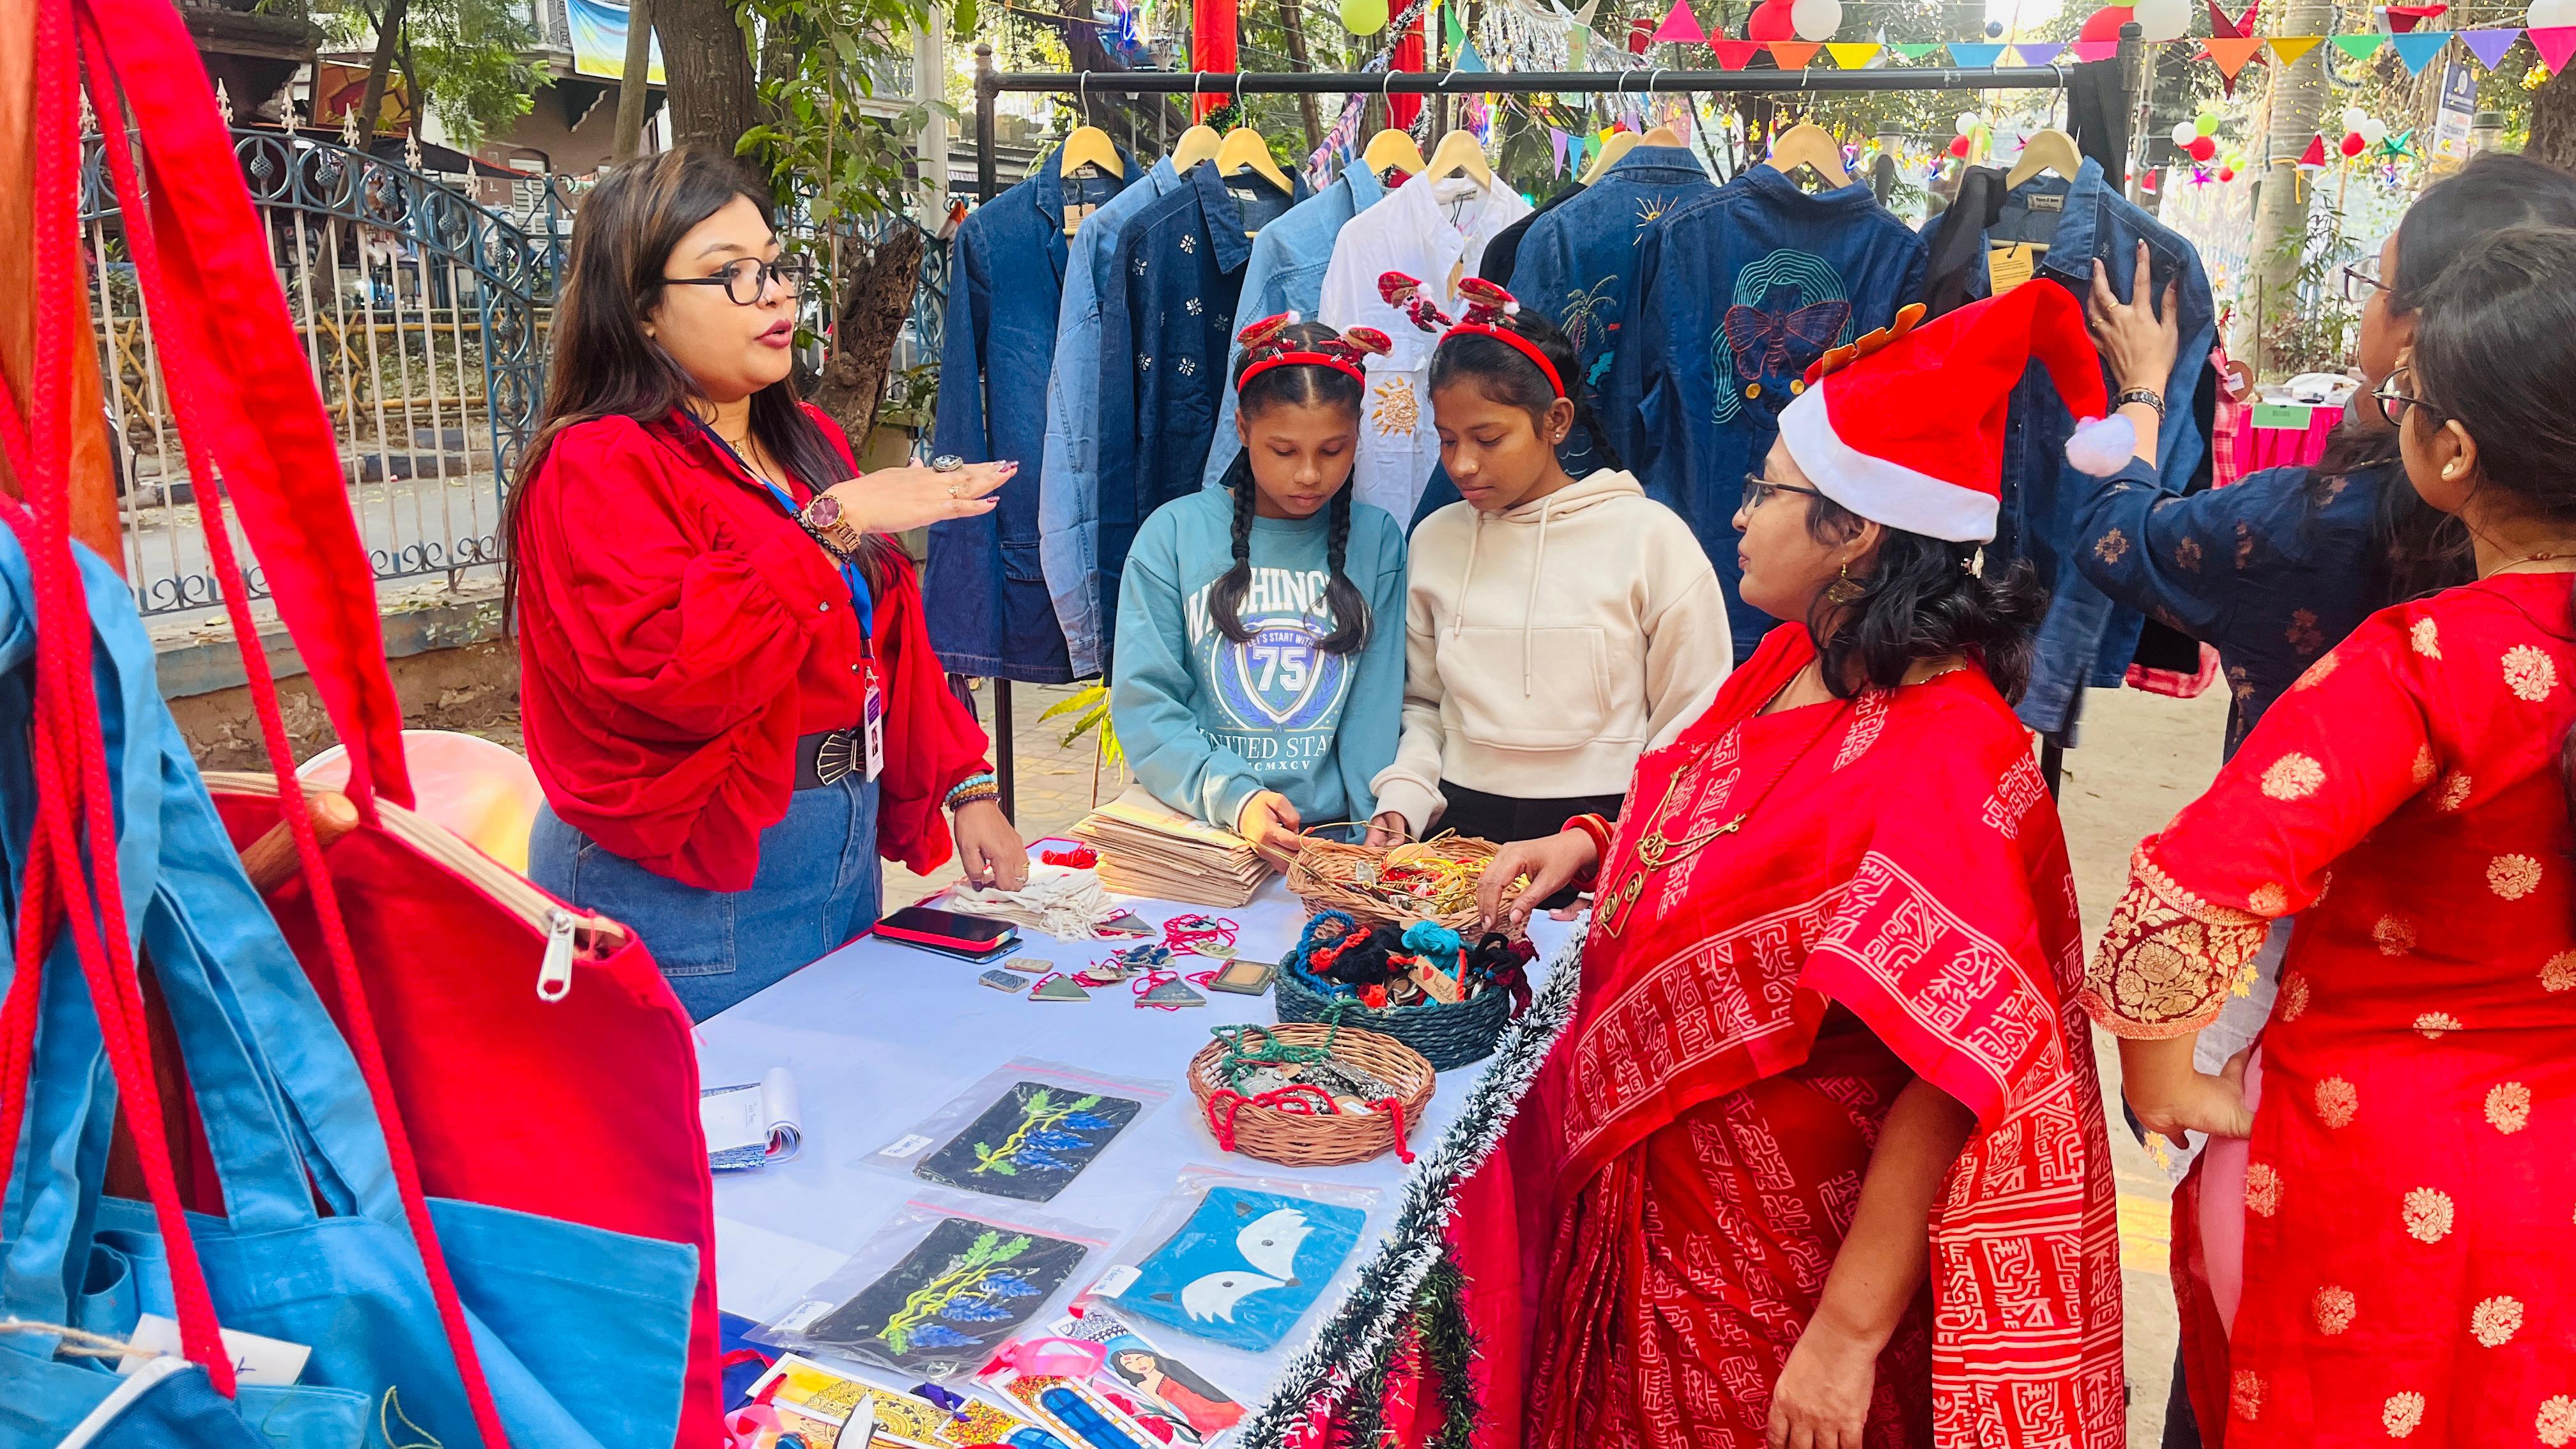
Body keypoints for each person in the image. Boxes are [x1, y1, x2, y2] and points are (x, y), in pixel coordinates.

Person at [1455, 283, 2128, 1449]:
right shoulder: (1781, 665)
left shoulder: (1945, 748)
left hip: (1780, 1261)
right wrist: (1586, 845)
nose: (1739, 513)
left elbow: (1955, 1068)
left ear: (1857, 529)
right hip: (1658, 1199)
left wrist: (1848, 1333)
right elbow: (1721, 830)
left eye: (1769, 488)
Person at [2071, 157, 2576, 1449]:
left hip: (2372, 1167)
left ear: (2451, 453)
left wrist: (2167, 1081)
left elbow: (2179, 897)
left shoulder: (2425, 662)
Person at [509, 148, 1026, 1021]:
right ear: (641, 310)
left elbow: (884, 642)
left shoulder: (806, 440)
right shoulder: (595, 463)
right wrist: (832, 526)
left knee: (827, 1113)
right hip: (681, 868)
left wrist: (963, 784)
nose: (777, 293)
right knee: (709, 1139)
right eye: (732, 276)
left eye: (775, 266)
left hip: (833, 842)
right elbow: (675, 672)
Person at [2073, 153, 2576, 760]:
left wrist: (2143, 387)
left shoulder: (2304, 526)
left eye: (2378, 283)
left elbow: (2118, 537)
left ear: (2424, 336)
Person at [1363, 275, 1731, 875]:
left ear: (1556, 421)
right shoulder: (1435, 541)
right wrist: (1404, 800)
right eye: (1447, 439)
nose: (1462, 463)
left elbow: (1693, 724)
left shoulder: (1649, 540)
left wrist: (1618, 850)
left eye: (1488, 437)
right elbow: (1422, 705)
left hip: (1599, 839)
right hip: (1455, 843)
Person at [1110, 316, 1409, 866]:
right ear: (1243, 429)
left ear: (1359, 433)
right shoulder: (1173, 536)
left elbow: (1376, 704)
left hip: (1336, 851)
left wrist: (1375, 822)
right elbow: (1146, 703)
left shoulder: (1378, 541)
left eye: (1333, 450)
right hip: (1206, 841)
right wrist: (1236, 798)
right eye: (1284, 450)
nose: (1310, 476)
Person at [1106, 1348, 1244, 1439]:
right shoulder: (1145, 1384)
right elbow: (1164, 1409)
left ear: (1151, 1357)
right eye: (1128, 1365)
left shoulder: (1173, 1366)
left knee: (1238, 1414)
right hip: (1197, 1416)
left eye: (1139, 1357)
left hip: (1211, 1401)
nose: (1139, 1364)